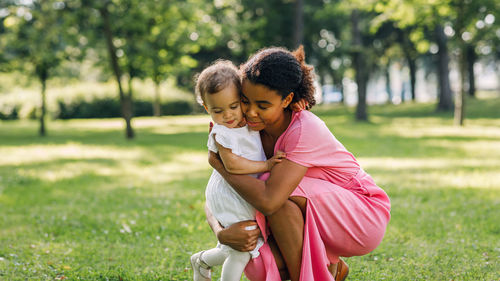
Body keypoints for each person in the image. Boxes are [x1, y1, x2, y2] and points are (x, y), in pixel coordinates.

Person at [206, 46, 391, 281]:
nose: (251, 112)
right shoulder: (244, 130)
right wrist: (221, 233)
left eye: (263, 106)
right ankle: (329, 267)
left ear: (288, 99)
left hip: (361, 214)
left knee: (277, 195)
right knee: (259, 262)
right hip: (311, 205)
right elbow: (216, 193)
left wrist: (220, 165)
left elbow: (270, 201)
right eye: (244, 101)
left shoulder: (304, 129)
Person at [190, 60, 287, 281]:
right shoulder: (222, 132)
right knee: (242, 249)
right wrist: (267, 165)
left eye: (234, 106)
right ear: (207, 109)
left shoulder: (246, 121)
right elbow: (232, 165)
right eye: (217, 110)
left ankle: (200, 260)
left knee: (235, 247)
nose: (228, 115)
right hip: (228, 193)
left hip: (242, 190)